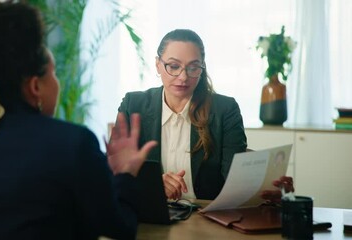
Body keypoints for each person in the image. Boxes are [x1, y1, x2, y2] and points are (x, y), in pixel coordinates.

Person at [0, 2, 156, 240]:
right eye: (53, 73)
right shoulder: (72, 144)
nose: (57, 82)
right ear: (35, 86)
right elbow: (119, 228)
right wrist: (125, 174)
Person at [116, 29, 293, 202]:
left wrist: (267, 188)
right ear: (158, 65)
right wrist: (153, 186)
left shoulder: (225, 110)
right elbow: (116, 173)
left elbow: (234, 183)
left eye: (193, 68)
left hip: (205, 219)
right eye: (174, 66)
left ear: (202, 68)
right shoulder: (134, 106)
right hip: (150, 216)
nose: (183, 77)